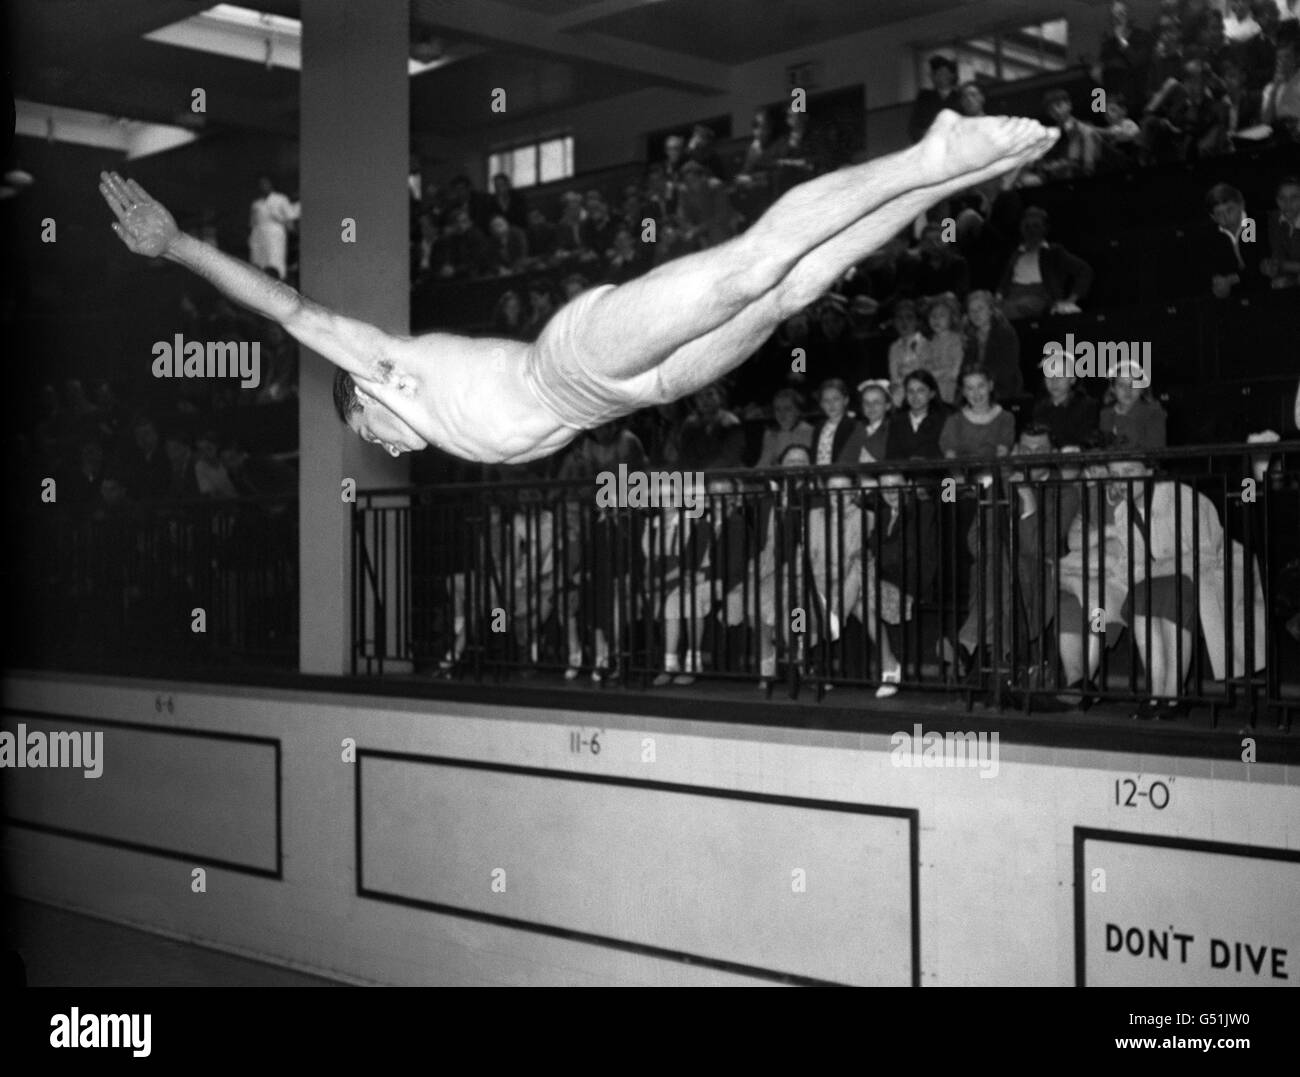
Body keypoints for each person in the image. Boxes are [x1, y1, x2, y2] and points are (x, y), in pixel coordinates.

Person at [100, 113, 1059, 466]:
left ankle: (925, 152)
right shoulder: (439, 434)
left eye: (367, 431)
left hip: (575, 360)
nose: (379, 444)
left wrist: (179, 245)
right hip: (631, 389)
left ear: (370, 408)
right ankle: (947, 177)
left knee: (752, 265)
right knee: (787, 293)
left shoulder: (391, 379)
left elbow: (291, 310)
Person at [962, 290, 1023, 402]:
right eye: (972, 311)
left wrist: (982, 382)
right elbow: (965, 366)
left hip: (1001, 387)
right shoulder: (968, 334)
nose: (976, 314)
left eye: (980, 309)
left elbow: (1007, 368)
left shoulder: (1005, 332)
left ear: (990, 310)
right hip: (975, 386)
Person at [885, 370, 948, 461]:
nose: (915, 396)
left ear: (932, 394)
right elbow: (891, 456)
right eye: (910, 391)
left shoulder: (944, 420)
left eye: (920, 391)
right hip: (902, 473)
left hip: (935, 473)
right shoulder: (896, 422)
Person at [248, 175, 299, 281]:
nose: (263, 186)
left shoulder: (281, 199)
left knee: (274, 262)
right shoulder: (256, 203)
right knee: (258, 263)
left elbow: (290, 219)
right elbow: (253, 223)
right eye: (261, 184)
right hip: (258, 236)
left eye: (265, 183)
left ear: (271, 184)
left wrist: (285, 224)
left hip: (275, 235)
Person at [1099, 370, 1168, 448]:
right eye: (1121, 385)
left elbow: (1155, 450)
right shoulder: (1105, 414)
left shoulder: (1154, 414)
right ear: (1113, 389)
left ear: (1142, 388)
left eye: (1134, 385)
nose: (1128, 390)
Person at [755, 388, 813, 469]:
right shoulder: (770, 434)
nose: (782, 414)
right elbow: (763, 464)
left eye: (787, 409)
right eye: (777, 409)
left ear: (798, 411)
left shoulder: (810, 432)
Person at [909, 55, 961, 143]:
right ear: (932, 77)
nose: (941, 77)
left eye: (944, 73)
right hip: (930, 143)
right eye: (937, 73)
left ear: (952, 75)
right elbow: (914, 127)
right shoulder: (925, 97)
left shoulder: (960, 96)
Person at [1263, 174, 1300, 288]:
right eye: (1282, 198)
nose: (1287, 203)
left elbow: (1280, 263)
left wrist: (1281, 265)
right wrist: (1266, 266)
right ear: (1276, 199)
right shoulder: (1272, 219)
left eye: (1294, 198)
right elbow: (1274, 255)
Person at [855, 380, 893, 463]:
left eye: (876, 402)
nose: (871, 406)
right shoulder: (857, 429)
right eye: (866, 402)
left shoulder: (891, 429)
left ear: (887, 405)